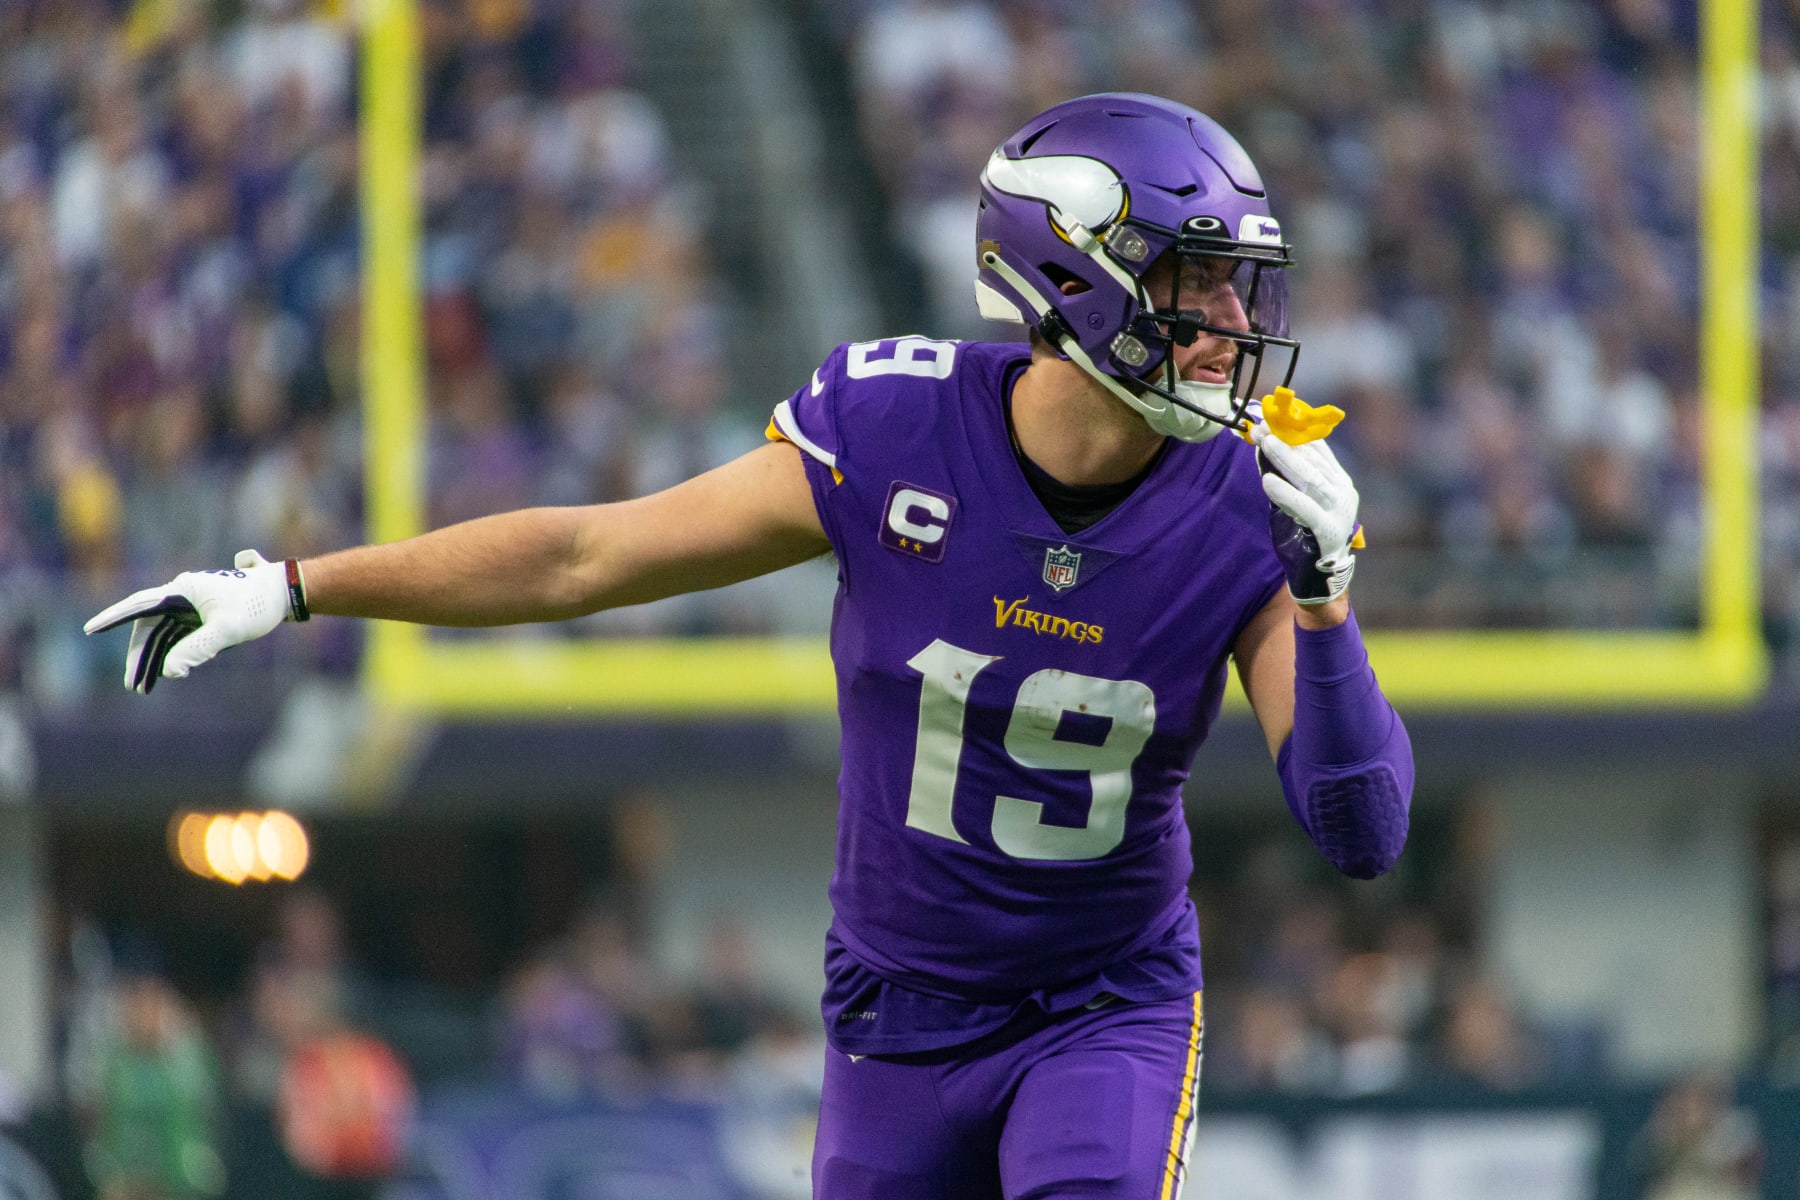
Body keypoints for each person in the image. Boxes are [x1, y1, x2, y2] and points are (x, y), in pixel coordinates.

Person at [88, 93, 1413, 1199]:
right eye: (1195, 285)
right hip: (896, 1012)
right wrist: (295, 587)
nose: (1236, 329)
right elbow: (590, 554)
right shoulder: (894, 430)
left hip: (1102, 1007)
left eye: (1242, 290)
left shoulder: (1255, 498)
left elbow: (1361, 832)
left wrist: (1327, 603)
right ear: (1075, 275)